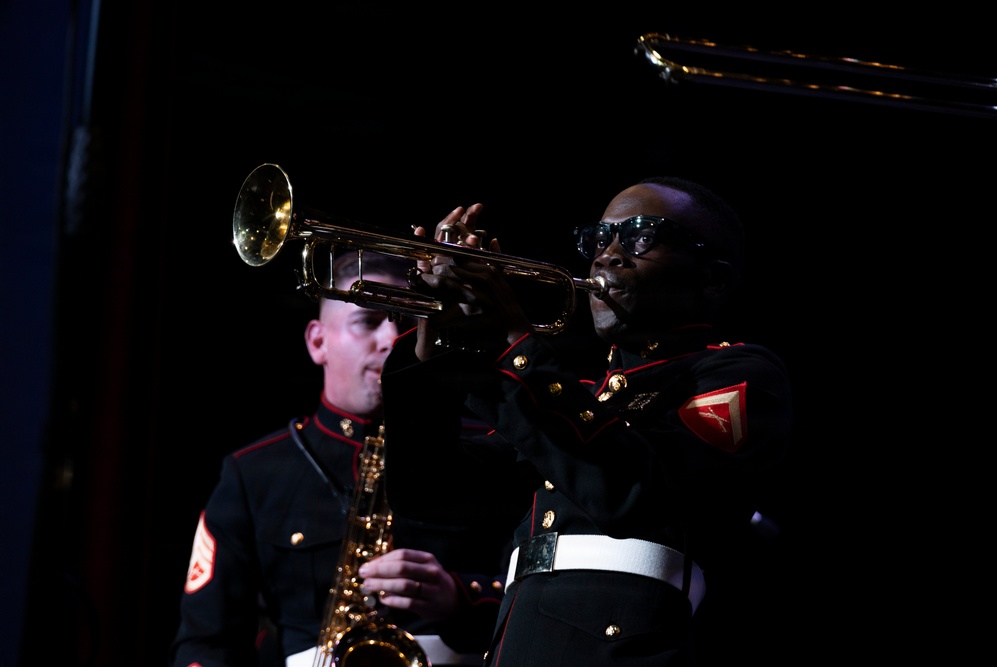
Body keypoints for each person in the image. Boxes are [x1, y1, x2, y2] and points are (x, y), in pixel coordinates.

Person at [377, 177, 794, 665]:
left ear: (712, 279)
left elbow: (633, 492)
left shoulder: (738, 373)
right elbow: (431, 489)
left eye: (642, 236)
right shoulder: (583, 399)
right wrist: (436, 339)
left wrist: (512, 340)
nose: (606, 256)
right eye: (598, 239)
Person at [168, 250, 513, 667]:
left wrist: (461, 597)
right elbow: (207, 642)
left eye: (407, 320)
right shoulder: (252, 473)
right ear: (318, 342)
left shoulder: (491, 448)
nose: (392, 339)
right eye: (368, 321)